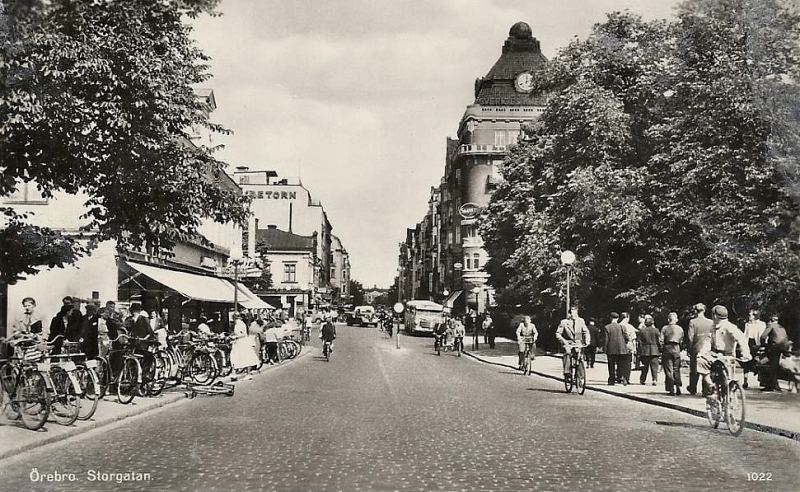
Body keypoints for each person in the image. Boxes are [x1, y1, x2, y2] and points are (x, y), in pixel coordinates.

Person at [696, 305, 751, 396]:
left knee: (727, 380)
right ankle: (711, 385)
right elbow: (708, 341)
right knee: (701, 361)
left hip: (728, 355)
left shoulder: (729, 326)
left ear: (715, 316)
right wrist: (702, 353)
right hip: (715, 354)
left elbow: (741, 338)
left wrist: (745, 353)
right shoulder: (713, 327)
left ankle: (729, 397)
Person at [555, 306, 590, 382]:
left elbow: (586, 332)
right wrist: (564, 341)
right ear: (569, 314)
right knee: (567, 353)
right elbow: (558, 333)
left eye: (575, 313)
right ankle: (567, 373)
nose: (574, 315)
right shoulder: (564, 322)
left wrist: (587, 341)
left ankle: (580, 376)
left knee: (580, 357)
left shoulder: (581, 321)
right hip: (568, 342)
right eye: (572, 313)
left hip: (578, 342)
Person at [686, 303, 714, 395]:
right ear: (704, 310)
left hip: (696, 347)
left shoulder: (693, 322)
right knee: (706, 368)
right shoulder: (710, 322)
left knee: (694, 369)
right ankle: (705, 390)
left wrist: (689, 349)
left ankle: (693, 388)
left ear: (695, 311)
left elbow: (690, 337)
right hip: (708, 348)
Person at [760, 313, 789, 392]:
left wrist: (762, 344)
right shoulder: (781, 327)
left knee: (770, 365)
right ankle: (775, 384)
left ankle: (770, 385)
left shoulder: (771, 325)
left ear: (771, 320)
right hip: (783, 347)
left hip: (774, 347)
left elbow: (763, 336)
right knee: (774, 364)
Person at [660, 312, 684, 395]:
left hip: (667, 348)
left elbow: (661, 340)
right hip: (676, 348)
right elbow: (681, 340)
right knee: (676, 369)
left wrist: (661, 349)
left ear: (668, 319)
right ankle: (678, 387)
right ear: (676, 319)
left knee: (668, 369)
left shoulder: (664, 328)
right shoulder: (680, 329)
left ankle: (671, 389)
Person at [230, 312, 259, 379]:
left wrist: (235, 337)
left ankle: (247, 374)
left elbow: (243, 334)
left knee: (244, 357)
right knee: (236, 357)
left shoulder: (239, 324)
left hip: (242, 342)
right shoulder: (239, 324)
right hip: (239, 342)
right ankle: (234, 373)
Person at [742, 309, 766, 389]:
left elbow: (762, 335)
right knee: (746, 362)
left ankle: (762, 379)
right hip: (749, 343)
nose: (749, 316)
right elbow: (745, 335)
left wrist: (761, 345)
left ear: (755, 316)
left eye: (751, 315)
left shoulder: (761, 324)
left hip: (757, 344)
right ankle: (745, 381)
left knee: (759, 361)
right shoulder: (747, 324)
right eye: (749, 315)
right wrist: (743, 345)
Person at [604, 312, 629, 385]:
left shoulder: (607, 327)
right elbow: (626, 337)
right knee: (621, 364)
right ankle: (622, 378)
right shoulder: (622, 327)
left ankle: (611, 379)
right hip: (622, 348)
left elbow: (606, 339)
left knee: (611, 365)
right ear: (618, 319)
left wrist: (605, 349)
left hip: (611, 349)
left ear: (610, 318)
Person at [638, 315, 661, 385]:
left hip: (645, 350)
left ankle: (642, 379)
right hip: (655, 350)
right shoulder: (656, 331)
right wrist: (660, 349)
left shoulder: (642, 331)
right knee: (654, 367)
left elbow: (639, 342)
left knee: (645, 367)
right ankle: (654, 379)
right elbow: (659, 341)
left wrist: (640, 351)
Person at [619, 312, 637, 377]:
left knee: (620, 362)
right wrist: (634, 348)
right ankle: (626, 377)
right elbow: (633, 338)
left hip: (620, 346)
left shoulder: (618, 325)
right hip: (628, 345)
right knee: (628, 362)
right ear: (627, 318)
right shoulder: (630, 327)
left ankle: (619, 376)